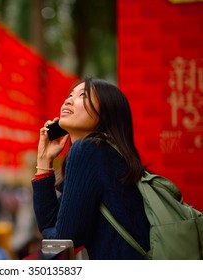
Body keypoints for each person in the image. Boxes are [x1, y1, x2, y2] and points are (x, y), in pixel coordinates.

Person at [32, 77, 150, 260]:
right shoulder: (104, 154)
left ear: (105, 113)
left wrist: (52, 232)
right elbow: (51, 226)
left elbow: (61, 240)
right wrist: (44, 160)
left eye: (82, 96)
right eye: (70, 95)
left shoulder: (89, 149)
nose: (68, 100)